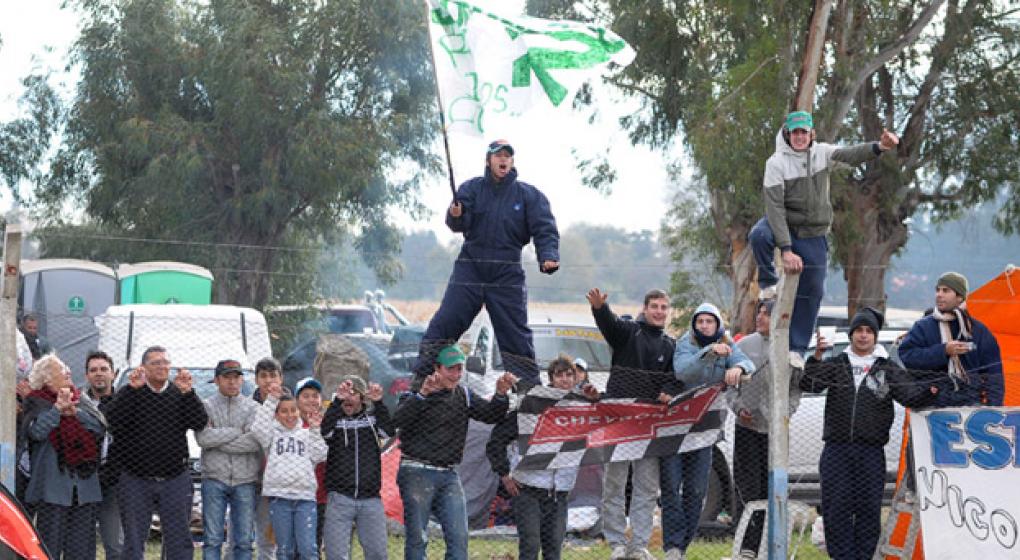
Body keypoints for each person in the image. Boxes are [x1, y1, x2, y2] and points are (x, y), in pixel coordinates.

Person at [411, 140, 559, 387]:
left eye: (507, 156)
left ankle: (528, 393)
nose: (503, 159)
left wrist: (548, 255)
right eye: (498, 155)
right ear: (488, 160)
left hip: (507, 271)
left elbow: (545, 228)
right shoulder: (471, 189)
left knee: (515, 334)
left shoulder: (529, 195)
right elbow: (458, 223)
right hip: (470, 267)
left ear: (512, 162)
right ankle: (421, 381)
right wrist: (455, 215)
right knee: (445, 322)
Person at [749, 111, 899, 353]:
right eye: (795, 132)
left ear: (811, 134)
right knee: (759, 235)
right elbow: (774, 208)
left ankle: (796, 349)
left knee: (814, 289)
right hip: (784, 222)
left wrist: (879, 146)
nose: (799, 137)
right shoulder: (775, 163)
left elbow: (851, 154)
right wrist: (786, 250)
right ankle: (767, 283)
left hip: (812, 233)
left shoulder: (822, 153)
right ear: (788, 134)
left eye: (803, 132)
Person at [801, 307, 938, 560]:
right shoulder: (837, 363)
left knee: (868, 510)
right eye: (859, 331)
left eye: (868, 331)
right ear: (851, 334)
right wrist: (817, 356)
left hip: (870, 453)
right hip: (836, 450)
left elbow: (911, 395)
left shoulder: (886, 368)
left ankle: (866, 556)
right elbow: (809, 384)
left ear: (875, 336)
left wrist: (933, 387)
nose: (863, 336)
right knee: (836, 509)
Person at [394, 345, 515, 560]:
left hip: (449, 474)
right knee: (417, 538)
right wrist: (423, 395)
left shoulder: (464, 395)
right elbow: (398, 422)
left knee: (459, 537)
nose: (456, 375)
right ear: (437, 369)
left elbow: (491, 415)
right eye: (451, 369)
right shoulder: (415, 392)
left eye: (460, 369)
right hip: (416, 471)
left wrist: (500, 394)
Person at [587, 287, 676, 560]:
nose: (659, 312)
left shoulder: (670, 344)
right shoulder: (628, 332)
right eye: (654, 307)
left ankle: (638, 546)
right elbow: (609, 325)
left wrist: (669, 389)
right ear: (645, 309)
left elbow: (675, 378)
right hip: (618, 422)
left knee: (647, 488)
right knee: (614, 484)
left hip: (649, 426)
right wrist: (600, 309)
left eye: (663, 307)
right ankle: (615, 543)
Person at [662, 303, 753, 560]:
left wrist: (738, 368)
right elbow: (684, 371)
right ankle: (671, 546)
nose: (704, 325)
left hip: (704, 432)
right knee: (671, 488)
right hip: (675, 431)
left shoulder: (726, 343)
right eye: (700, 321)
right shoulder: (685, 344)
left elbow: (746, 362)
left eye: (709, 321)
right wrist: (709, 352)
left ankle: (683, 545)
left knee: (696, 490)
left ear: (717, 324)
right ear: (694, 324)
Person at [485, 356, 597, 560]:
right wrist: (504, 473)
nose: (564, 379)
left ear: (575, 378)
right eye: (559, 375)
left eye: (569, 374)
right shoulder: (532, 408)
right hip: (528, 488)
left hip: (559, 492)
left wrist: (595, 399)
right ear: (551, 379)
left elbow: (609, 419)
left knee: (553, 549)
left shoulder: (582, 409)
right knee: (530, 545)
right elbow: (496, 441)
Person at [106, 346, 208, 560]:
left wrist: (189, 393)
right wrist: (132, 391)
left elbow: (199, 421)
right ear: (144, 368)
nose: (162, 367)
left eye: (165, 363)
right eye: (156, 363)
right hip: (135, 479)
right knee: (133, 542)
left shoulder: (178, 392)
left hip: (174, 478)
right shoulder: (131, 391)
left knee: (179, 540)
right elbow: (113, 422)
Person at [730, 301, 803, 558]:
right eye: (759, 312)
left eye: (767, 313)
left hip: (775, 433)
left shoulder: (790, 347)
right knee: (748, 491)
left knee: (771, 490)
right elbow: (730, 385)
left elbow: (796, 388)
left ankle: (769, 546)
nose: (760, 317)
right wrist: (739, 409)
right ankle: (746, 548)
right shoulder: (743, 346)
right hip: (747, 429)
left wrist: (785, 414)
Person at [21, 355, 106, 559]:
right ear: (48, 379)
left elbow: (100, 427)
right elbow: (37, 432)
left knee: (80, 550)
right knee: (49, 547)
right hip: (52, 489)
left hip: (84, 488)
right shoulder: (36, 401)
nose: (68, 372)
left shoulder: (80, 398)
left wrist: (75, 412)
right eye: (62, 370)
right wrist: (57, 410)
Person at [898, 272, 1004, 406]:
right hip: (930, 406)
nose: (939, 294)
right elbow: (908, 357)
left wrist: (993, 409)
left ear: (960, 296)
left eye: (945, 290)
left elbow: (994, 374)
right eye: (938, 290)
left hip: (970, 407)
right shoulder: (923, 326)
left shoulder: (978, 330)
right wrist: (943, 351)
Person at [321, 376, 393, 560]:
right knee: (336, 555)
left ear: (362, 397)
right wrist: (336, 401)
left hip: (370, 499)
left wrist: (378, 403)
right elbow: (325, 432)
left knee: (377, 553)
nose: (348, 398)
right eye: (345, 393)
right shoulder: (335, 419)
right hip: (339, 498)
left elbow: (388, 432)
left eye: (353, 394)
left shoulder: (372, 420)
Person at [252, 383, 327, 560]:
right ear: (276, 415)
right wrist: (271, 400)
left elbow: (321, 453)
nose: (290, 415)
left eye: (293, 410)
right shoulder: (271, 435)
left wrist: (316, 429)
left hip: (305, 499)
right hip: (280, 498)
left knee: (308, 549)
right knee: (285, 550)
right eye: (284, 411)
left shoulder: (307, 434)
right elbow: (257, 428)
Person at [196, 359, 262, 560]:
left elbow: (254, 442)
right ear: (216, 380)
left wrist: (219, 439)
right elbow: (203, 439)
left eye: (236, 377)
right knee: (212, 539)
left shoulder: (253, 408)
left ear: (241, 380)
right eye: (227, 378)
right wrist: (236, 431)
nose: (232, 382)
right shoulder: (205, 406)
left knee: (244, 541)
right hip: (214, 478)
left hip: (246, 479)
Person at [84, 351, 124, 560]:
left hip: (114, 481)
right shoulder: (78, 403)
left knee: (115, 544)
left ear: (113, 374)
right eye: (93, 370)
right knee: (82, 543)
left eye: (103, 369)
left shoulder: (124, 403)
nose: (99, 374)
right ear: (86, 376)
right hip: (83, 480)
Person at [253, 357, 287, 559]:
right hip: (254, 481)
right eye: (263, 376)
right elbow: (251, 438)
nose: (268, 381)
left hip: (283, 484)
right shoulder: (249, 405)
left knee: (279, 540)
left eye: (273, 375)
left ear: (281, 378)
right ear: (256, 380)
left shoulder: (291, 408)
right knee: (257, 540)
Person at [293, 376, 330, 554]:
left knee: (314, 544)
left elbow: (323, 456)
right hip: (296, 494)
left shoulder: (327, 424)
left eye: (315, 395)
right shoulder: (291, 425)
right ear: (296, 400)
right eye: (305, 395)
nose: (311, 400)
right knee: (294, 545)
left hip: (320, 495)